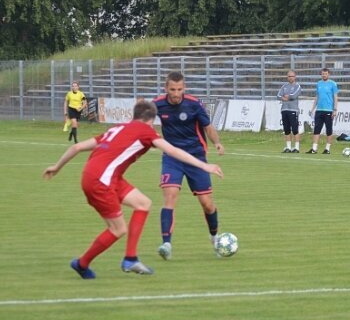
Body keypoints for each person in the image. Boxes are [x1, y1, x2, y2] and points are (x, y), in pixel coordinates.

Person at [42, 100, 224, 279]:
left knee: (143, 203)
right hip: (101, 180)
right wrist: (204, 166)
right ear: (152, 119)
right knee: (117, 229)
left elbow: (77, 146)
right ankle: (83, 263)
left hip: (100, 176)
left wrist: (57, 167)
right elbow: (173, 151)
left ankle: (130, 258)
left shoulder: (117, 129)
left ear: (134, 115)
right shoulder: (146, 131)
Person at [153, 72, 226, 260]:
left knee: (207, 204)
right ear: (165, 88)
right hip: (172, 158)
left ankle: (214, 237)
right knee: (170, 196)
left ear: (184, 88)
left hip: (196, 157)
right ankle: (166, 244)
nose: (176, 93)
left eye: (179, 89)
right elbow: (143, 122)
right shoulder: (158, 104)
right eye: (172, 90)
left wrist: (217, 142)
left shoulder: (194, 104)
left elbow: (208, 126)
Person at [307, 67, 339, 154]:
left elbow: (335, 97)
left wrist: (335, 109)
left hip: (329, 110)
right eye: (322, 74)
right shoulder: (318, 83)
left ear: (328, 74)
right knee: (316, 129)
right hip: (319, 110)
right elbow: (317, 96)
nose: (324, 75)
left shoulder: (333, 84)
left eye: (325, 74)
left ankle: (327, 149)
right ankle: (314, 149)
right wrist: (313, 108)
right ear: (321, 74)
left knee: (329, 130)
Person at [277, 70, 302, 153]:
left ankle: (297, 148)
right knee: (286, 129)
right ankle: (288, 147)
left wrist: (287, 96)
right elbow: (278, 95)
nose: (290, 78)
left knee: (295, 129)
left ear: (295, 77)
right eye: (289, 76)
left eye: (292, 76)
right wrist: (285, 97)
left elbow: (294, 96)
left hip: (293, 110)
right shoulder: (284, 86)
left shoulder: (297, 86)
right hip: (284, 109)